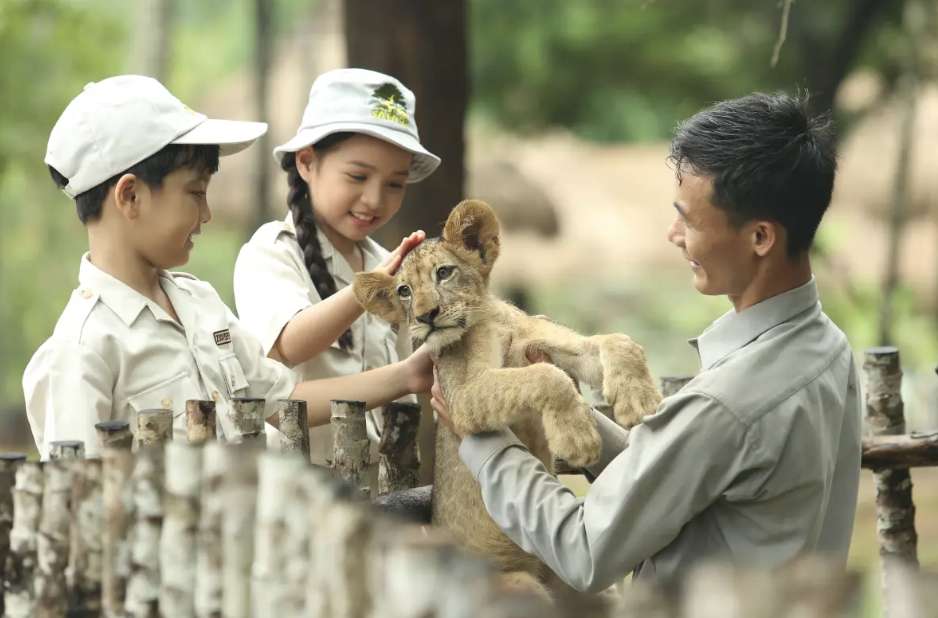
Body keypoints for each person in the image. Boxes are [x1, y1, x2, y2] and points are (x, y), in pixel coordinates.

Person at [430, 92, 862, 590]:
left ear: (760, 238)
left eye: (689, 219)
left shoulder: (727, 405)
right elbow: (676, 476)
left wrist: (486, 444)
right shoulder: (826, 348)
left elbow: (585, 550)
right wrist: (570, 405)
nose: (673, 234)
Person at [23, 75, 431, 460]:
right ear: (130, 196)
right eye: (195, 193)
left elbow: (283, 401)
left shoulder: (200, 304)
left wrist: (407, 375)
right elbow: (76, 504)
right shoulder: (81, 350)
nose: (207, 214)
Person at [233, 68, 440, 460]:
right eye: (358, 176)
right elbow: (288, 344)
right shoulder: (271, 253)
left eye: (395, 183)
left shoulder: (386, 263)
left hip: (376, 490)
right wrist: (365, 291)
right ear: (307, 163)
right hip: (297, 491)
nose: (375, 199)